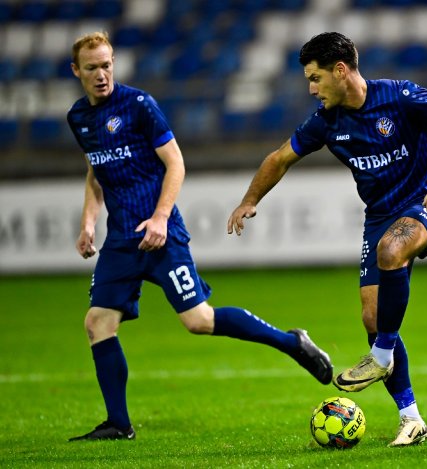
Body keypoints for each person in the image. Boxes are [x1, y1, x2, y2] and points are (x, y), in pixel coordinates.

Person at [66, 32, 333, 441]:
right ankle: (118, 423)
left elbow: (175, 164)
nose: (101, 74)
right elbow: (95, 173)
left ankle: (291, 342)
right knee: (97, 322)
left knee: (199, 320)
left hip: (162, 235)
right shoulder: (79, 118)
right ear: (76, 71)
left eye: (107, 65)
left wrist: (159, 218)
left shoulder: (138, 106)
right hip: (121, 241)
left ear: (114, 63)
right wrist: (88, 222)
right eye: (92, 68)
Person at [227, 32, 427, 446]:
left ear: (340, 71)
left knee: (391, 250)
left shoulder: (398, 96)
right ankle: (411, 419)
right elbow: (279, 158)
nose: (311, 88)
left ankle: (380, 357)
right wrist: (249, 200)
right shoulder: (326, 121)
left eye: (315, 78)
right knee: (372, 319)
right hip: (380, 214)